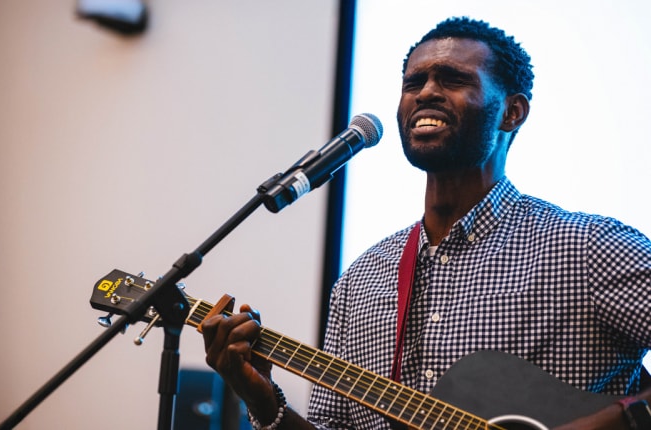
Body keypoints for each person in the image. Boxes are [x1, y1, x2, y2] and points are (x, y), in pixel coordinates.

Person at [201, 16, 651, 430]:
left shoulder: (589, 247)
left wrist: (618, 421)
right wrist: (260, 397)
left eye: (452, 80)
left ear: (512, 112)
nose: (426, 92)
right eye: (413, 82)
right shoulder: (360, 281)